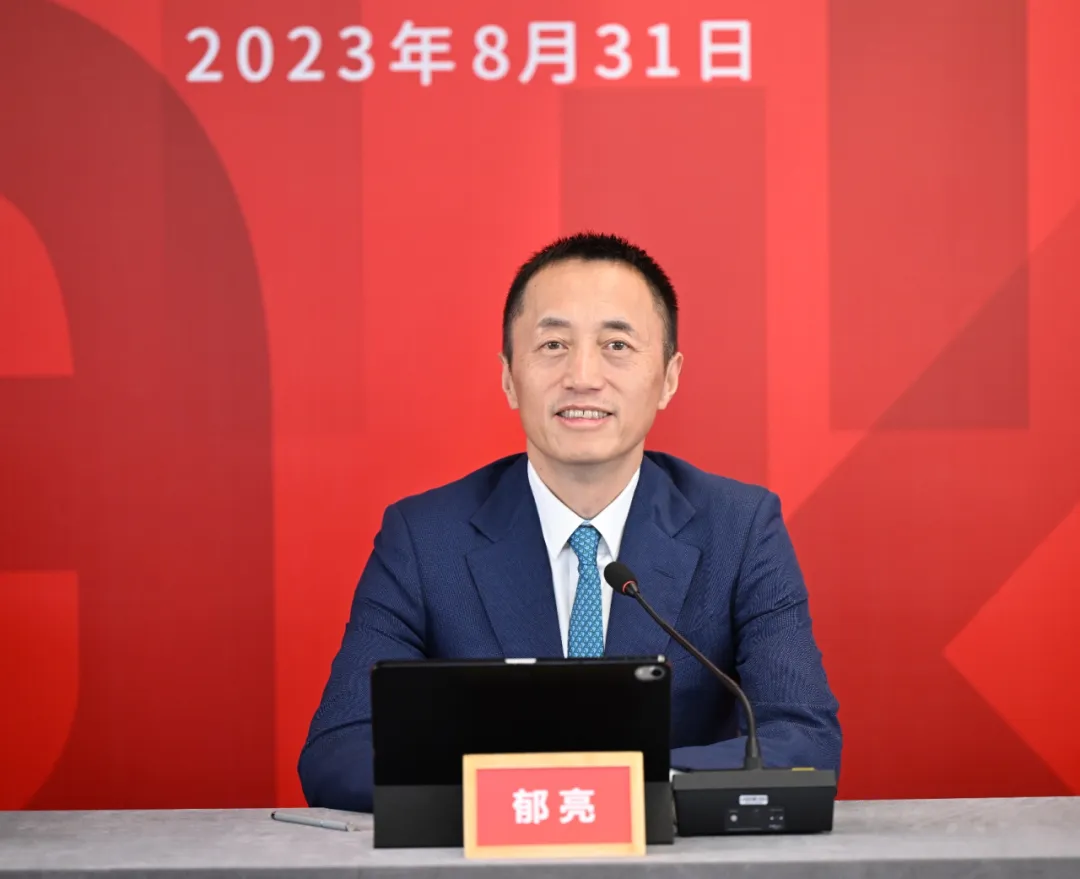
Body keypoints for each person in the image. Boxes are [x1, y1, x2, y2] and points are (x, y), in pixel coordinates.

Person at [298, 232, 841, 812]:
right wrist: (527, 797)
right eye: (553, 344)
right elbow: (338, 751)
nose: (582, 376)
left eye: (617, 345)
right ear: (509, 377)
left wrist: (609, 791)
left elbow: (803, 739)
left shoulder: (740, 529)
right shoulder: (424, 538)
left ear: (669, 377)